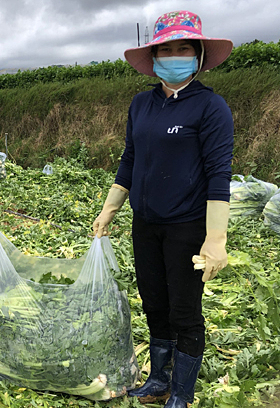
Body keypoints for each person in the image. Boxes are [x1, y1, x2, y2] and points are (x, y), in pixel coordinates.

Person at [93, 11, 234, 408]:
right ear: (153, 58)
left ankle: (182, 393)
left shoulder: (211, 107)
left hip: (187, 227)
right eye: (165, 50)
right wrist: (110, 209)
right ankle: (158, 380)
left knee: (184, 310)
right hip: (146, 223)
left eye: (183, 49)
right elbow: (130, 159)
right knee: (154, 303)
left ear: (198, 56)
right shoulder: (141, 104)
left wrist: (216, 239)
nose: (174, 57)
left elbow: (218, 175)